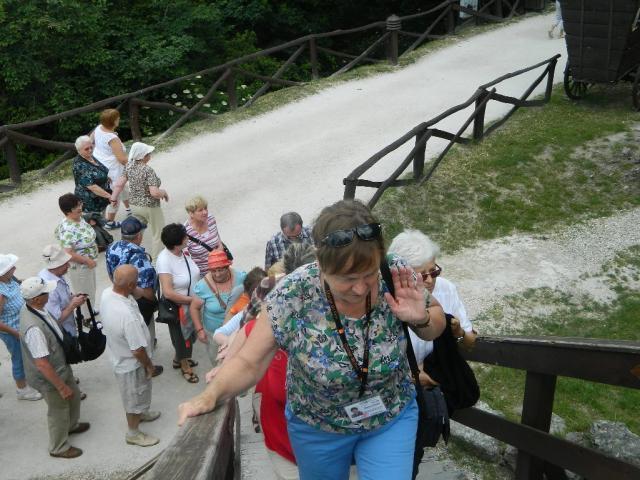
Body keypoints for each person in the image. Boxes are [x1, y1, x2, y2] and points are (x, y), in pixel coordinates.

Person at [179, 200, 446, 480]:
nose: (360, 288)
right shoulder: (293, 294)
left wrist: (421, 319)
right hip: (319, 428)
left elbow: (436, 322)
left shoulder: (394, 273)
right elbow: (249, 362)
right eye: (347, 278)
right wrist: (210, 396)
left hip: (389, 416)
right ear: (320, 263)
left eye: (369, 275)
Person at [388, 229, 477, 384]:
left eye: (434, 272)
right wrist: (413, 377)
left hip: (437, 379)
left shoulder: (446, 289)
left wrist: (459, 332)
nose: (429, 280)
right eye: (421, 276)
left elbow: (471, 342)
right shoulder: (387, 301)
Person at [19, 276, 90, 458]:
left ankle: (71, 425)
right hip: (50, 378)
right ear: (37, 299)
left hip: (60, 366)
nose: (49, 294)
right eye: (46, 293)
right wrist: (61, 387)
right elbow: (42, 364)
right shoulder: (34, 329)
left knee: (74, 396)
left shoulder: (35, 308)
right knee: (58, 410)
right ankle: (59, 447)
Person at [101, 265, 162, 447]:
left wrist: (133, 288)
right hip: (131, 364)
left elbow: (135, 292)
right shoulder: (127, 317)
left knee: (140, 394)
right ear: (129, 285)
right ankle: (133, 433)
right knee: (133, 399)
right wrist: (149, 365)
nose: (139, 284)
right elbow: (137, 350)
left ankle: (142, 413)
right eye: (136, 281)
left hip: (119, 355)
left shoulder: (107, 294)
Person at [38, 244, 88, 400]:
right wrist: (73, 305)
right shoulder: (48, 287)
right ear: (56, 266)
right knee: (61, 361)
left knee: (65, 360)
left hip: (66, 328)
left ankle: (69, 379)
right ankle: (69, 388)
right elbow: (55, 319)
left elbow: (63, 298)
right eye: (65, 263)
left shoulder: (56, 275)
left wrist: (72, 297)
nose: (68, 266)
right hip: (58, 332)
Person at [156, 223, 200, 383]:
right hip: (179, 307)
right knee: (182, 339)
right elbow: (168, 292)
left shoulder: (182, 252)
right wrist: (192, 300)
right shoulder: (164, 260)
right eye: (185, 237)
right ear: (177, 244)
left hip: (191, 304)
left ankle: (179, 359)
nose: (188, 238)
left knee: (190, 335)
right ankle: (185, 366)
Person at [106, 217, 158, 346]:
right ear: (139, 235)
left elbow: (111, 275)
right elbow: (148, 291)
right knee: (145, 332)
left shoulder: (112, 247)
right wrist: (153, 303)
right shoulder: (139, 258)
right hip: (139, 301)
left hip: (120, 295)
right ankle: (149, 348)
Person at [189, 250, 246, 366]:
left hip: (238, 329)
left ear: (228, 267)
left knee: (239, 362)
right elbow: (194, 308)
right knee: (218, 363)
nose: (217, 274)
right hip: (213, 333)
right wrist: (200, 330)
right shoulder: (203, 286)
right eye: (213, 271)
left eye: (221, 270)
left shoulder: (241, 278)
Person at [112, 142, 168, 259]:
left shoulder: (129, 166)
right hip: (150, 206)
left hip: (134, 205)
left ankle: (128, 257)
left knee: (136, 232)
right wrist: (163, 192)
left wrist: (113, 198)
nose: (150, 155)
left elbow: (119, 184)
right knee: (159, 234)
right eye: (148, 153)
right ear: (143, 156)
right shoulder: (148, 170)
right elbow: (154, 193)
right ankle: (156, 262)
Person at [0, 254, 42, 401]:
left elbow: (20, 284)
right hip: (12, 332)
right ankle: (22, 389)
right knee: (19, 359)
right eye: (10, 268)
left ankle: (31, 381)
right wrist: (16, 333)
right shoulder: (1, 294)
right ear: (2, 273)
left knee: (30, 356)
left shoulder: (10, 279)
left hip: (22, 327)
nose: (14, 268)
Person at [54, 193, 99, 314]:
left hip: (88, 264)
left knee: (91, 288)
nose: (80, 208)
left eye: (79, 204)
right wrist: (87, 260)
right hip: (80, 267)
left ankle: (90, 311)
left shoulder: (78, 218)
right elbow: (68, 252)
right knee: (85, 292)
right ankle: (87, 317)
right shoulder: (67, 229)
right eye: (75, 207)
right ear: (67, 211)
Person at [91, 108, 131, 229]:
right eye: (117, 118)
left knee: (123, 187)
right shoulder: (112, 138)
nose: (119, 119)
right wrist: (135, 165)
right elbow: (122, 159)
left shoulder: (99, 128)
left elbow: (91, 141)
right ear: (113, 121)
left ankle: (129, 209)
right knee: (115, 195)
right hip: (113, 170)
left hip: (101, 166)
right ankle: (109, 222)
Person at [72, 135, 113, 217]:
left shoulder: (90, 157)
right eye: (86, 149)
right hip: (90, 200)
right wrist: (109, 196)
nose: (90, 150)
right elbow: (92, 186)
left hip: (101, 196)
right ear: (79, 150)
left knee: (102, 217)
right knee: (95, 221)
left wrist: (106, 177)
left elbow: (98, 169)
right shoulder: (79, 165)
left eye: (91, 147)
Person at [184, 195, 225, 277]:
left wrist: (220, 250)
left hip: (221, 268)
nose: (205, 212)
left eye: (205, 208)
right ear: (191, 213)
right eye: (200, 210)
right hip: (204, 276)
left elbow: (218, 239)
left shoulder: (210, 219)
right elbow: (185, 258)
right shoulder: (185, 232)